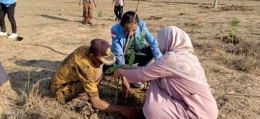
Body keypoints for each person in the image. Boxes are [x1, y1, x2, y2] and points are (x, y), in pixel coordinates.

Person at [113, 26, 219, 119]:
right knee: (156, 79)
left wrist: (121, 72)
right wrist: (127, 67)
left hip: (198, 112)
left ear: (169, 40)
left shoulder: (171, 59)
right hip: (203, 107)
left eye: (160, 41)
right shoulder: (187, 57)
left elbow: (144, 75)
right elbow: (151, 71)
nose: (159, 45)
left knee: (152, 110)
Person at [51, 39, 136, 118]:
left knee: (98, 71)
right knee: (98, 73)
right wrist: (121, 109)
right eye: (101, 60)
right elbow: (96, 102)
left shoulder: (85, 49)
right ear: (92, 56)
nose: (103, 62)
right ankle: (77, 99)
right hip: (61, 91)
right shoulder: (86, 69)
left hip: (65, 80)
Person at [103, 11, 162, 88]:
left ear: (137, 24)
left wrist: (160, 63)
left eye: (134, 30)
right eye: (127, 30)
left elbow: (154, 43)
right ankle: (126, 75)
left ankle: (138, 75)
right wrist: (123, 75)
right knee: (107, 68)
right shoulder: (115, 30)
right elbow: (118, 52)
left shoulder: (142, 25)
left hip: (135, 53)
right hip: (122, 56)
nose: (130, 33)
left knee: (150, 50)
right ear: (122, 25)